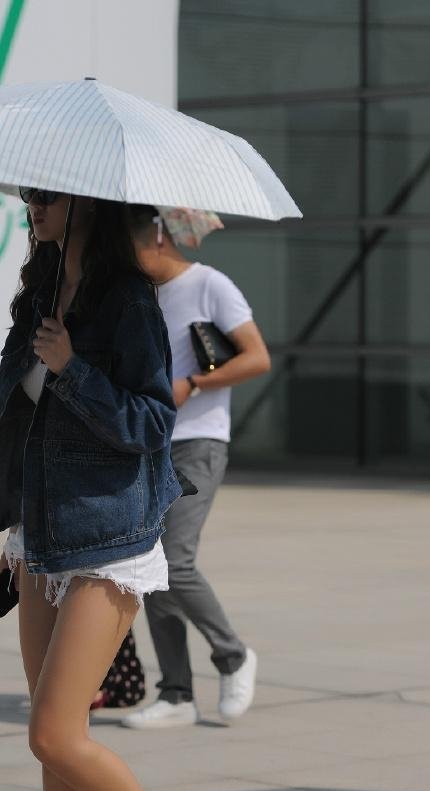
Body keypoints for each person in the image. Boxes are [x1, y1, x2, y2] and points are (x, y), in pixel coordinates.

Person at [0, 190, 236, 791]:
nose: (30, 204)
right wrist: (16, 522)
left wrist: (73, 369)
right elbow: (23, 423)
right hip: (42, 532)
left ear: (87, 202)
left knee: (53, 733)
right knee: (57, 743)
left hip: (108, 536)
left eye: (45, 194)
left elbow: (153, 422)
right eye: (27, 192)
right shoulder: (42, 292)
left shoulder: (128, 301)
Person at [122, 206, 270, 731]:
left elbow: (256, 358)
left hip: (198, 441)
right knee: (151, 565)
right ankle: (176, 693)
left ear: (157, 237)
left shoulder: (210, 285)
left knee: (174, 559)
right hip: (149, 444)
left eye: (130, 249)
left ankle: (233, 656)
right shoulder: (139, 296)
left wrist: (194, 384)